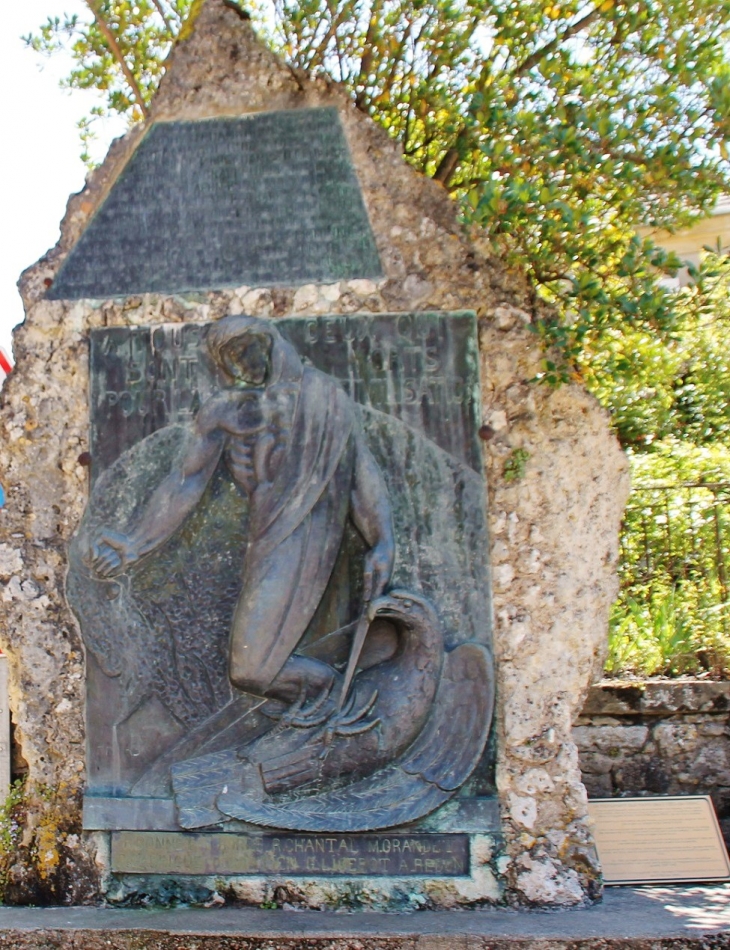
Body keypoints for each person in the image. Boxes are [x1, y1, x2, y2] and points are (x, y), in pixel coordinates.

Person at [89, 314, 395, 709]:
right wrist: (136, 543)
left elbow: (358, 472)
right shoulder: (224, 410)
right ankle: (342, 710)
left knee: (252, 670)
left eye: (249, 346)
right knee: (253, 669)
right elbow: (186, 481)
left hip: (312, 533)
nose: (243, 360)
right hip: (266, 537)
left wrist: (382, 540)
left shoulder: (323, 396)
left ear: (271, 341)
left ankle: (350, 709)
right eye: (231, 355)